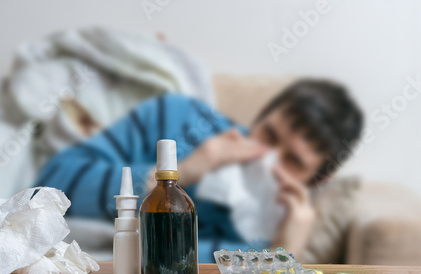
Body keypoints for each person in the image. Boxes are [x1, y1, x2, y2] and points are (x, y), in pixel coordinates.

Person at [36, 79, 363, 262]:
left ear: (316, 180)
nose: (267, 159)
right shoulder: (175, 117)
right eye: (269, 135)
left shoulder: (278, 222)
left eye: (293, 161)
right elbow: (47, 188)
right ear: (260, 116)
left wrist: (283, 253)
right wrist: (175, 172)